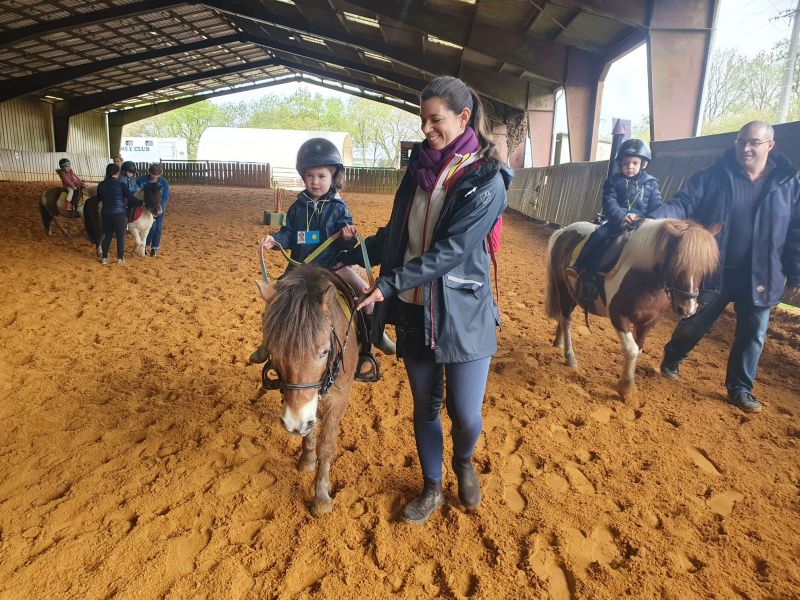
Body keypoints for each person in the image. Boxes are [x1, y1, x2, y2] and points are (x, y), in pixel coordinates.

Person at [343, 76, 510, 523]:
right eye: (423, 121)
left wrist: (388, 284)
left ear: (463, 117)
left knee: (466, 414)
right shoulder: (416, 171)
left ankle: (464, 459)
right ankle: (432, 486)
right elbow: (397, 235)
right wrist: (351, 252)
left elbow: (452, 251)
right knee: (426, 406)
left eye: (436, 119)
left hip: (463, 312)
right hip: (415, 310)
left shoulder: (486, 179)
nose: (427, 129)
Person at [650, 121, 800, 413]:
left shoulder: (789, 185)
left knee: (753, 334)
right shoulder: (712, 177)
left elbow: (796, 232)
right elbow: (683, 202)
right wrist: (653, 218)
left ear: (770, 145)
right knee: (694, 323)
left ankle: (740, 389)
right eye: (741, 141)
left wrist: (795, 272)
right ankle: (672, 357)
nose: (746, 148)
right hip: (714, 270)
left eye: (754, 142)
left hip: (761, 275)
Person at [248, 137, 396, 364]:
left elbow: (346, 244)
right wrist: (275, 240)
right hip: (300, 267)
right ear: (303, 177)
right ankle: (267, 343)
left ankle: (372, 341)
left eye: (321, 176)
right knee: (274, 299)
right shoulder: (297, 208)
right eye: (309, 176)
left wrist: (347, 238)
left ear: (333, 177)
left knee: (366, 295)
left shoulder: (339, 208)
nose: (315, 182)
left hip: (333, 266)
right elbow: (289, 234)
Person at [568, 139, 662, 303]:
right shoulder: (613, 181)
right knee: (598, 236)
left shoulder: (651, 183)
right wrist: (621, 217)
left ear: (643, 164)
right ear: (620, 164)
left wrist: (644, 219)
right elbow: (609, 202)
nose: (630, 167)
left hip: (641, 225)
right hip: (616, 221)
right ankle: (581, 267)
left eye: (634, 163)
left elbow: (657, 206)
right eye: (626, 163)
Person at [96, 163, 141, 265]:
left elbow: (99, 198)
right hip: (120, 214)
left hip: (106, 213)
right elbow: (130, 199)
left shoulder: (101, 184)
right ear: (117, 172)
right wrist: (141, 203)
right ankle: (120, 258)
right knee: (120, 236)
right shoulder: (121, 184)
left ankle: (104, 258)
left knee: (108, 235)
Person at [137, 164, 170, 257]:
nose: (155, 177)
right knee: (151, 227)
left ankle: (154, 248)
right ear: (149, 172)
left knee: (158, 227)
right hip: (146, 208)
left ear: (160, 174)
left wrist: (159, 205)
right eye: (153, 175)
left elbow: (166, 196)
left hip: (158, 207)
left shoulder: (163, 182)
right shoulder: (141, 180)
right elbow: (137, 192)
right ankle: (145, 245)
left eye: (157, 175)